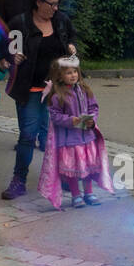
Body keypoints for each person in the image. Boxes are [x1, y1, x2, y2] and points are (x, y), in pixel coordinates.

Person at [1, 0, 75, 200]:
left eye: (57, 4)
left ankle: (63, 176)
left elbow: (71, 37)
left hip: (58, 90)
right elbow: (6, 51)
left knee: (61, 134)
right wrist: (11, 58)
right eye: (51, 4)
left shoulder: (61, 21)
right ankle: (19, 180)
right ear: (38, 2)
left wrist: (71, 46)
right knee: (28, 135)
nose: (55, 9)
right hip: (30, 89)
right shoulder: (20, 23)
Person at [39, 56, 112, 209]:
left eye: (75, 72)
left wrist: (92, 119)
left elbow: (94, 107)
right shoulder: (57, 95)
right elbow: (55, 116)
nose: (73, 75)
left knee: (88, 167)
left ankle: (89, 193)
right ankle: (76, 195)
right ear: (59, 76)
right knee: (74, 168)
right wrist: (70, 120)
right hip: (69, 140)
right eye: (68, 73)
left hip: (87, 137)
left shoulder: (85, 90)